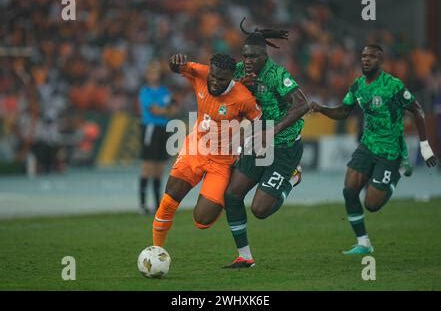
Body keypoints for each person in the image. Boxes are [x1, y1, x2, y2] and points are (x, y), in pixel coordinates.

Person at [311, 44, 439, 255]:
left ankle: (396, 172)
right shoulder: (357, 86)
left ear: (380, 61)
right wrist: (322, 109)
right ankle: (363, 243)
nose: (366, 59)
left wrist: (425, 147)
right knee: (349, 190)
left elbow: (417, 111)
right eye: (363, 56)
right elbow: (344, 111)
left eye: (372, 56)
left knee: (372, 204)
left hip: (390, 150)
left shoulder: (393, 85)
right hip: (367, 145)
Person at [222, 18, 310, 268]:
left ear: (265, 55)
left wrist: (275, 129)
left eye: (253, 57)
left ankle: (292, 177)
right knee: (232, 194)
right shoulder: (240, 72)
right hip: (257, 143)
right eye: (245, 56)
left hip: (284, 146)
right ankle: (245, 257)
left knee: (260, 210)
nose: (247, 61)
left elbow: (303, 104)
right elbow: (218, 89)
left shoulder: (277, 74)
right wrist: (239, 86)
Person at [152, 53, 262, 248]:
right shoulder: (200, 72)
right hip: (195, 150)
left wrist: (244, 139)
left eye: (221, 79)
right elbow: (176, 67)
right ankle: (156, 250)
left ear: (231, 78)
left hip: (221, 163)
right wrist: (173, 62)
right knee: (168, 202)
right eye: (213, 76)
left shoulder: (243, 97)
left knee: (201, 221)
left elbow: (258, 119)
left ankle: (219, 197)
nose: (214, 82)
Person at [138, 61, 177, 215]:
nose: (154, 75)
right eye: (152, 72)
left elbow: (173, 108)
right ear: (147, 75)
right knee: (148, 167)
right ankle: (142, 205)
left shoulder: (164, 90)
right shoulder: (145, 91)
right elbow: (155, 110)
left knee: (160, 168)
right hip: (150, 128)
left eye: (156, 72)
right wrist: (166, 110)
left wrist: (165, 110)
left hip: (163, 128)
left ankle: (156, 204)